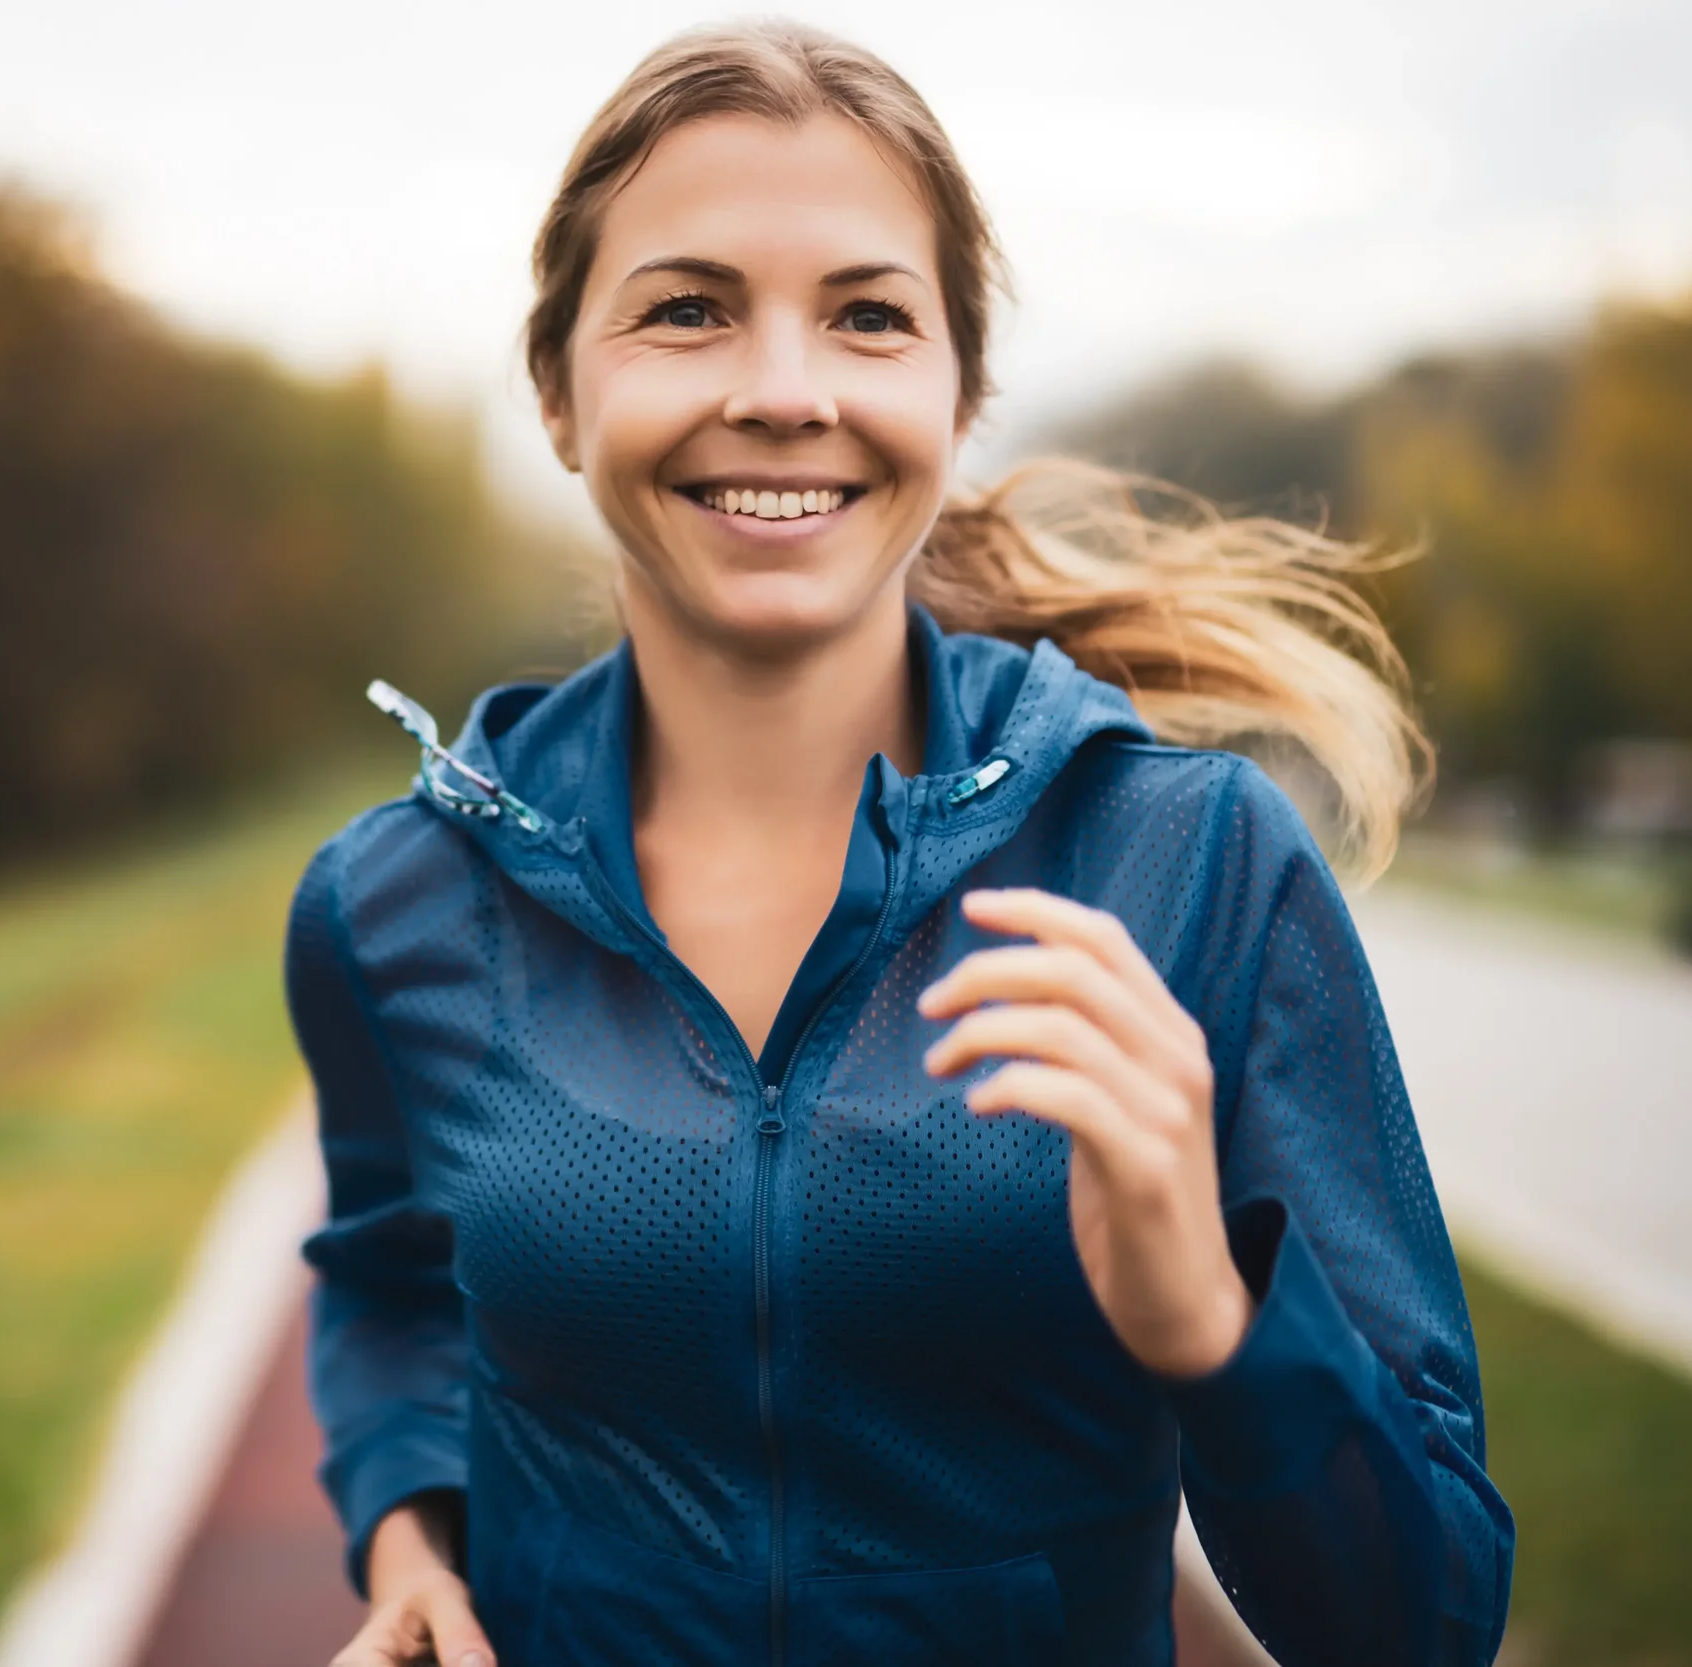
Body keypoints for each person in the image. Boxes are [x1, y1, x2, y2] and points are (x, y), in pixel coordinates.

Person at [287, 21, 1513, 1666]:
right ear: (560, 392)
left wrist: (1214, 1323)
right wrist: (408, 1531)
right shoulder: (395, 902)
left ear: (958, 394)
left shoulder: (1192, 865)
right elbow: (391, 1283)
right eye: (686, 309)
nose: (783, 391)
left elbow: (1425, 1621)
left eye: (868, 316)